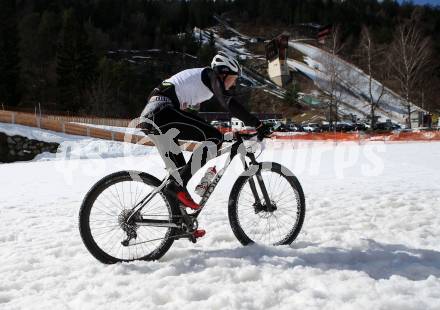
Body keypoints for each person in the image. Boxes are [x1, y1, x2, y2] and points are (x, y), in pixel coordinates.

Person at [140, 52, 270, 237]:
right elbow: (227, 101)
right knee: (214, 138)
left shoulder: (199, 88)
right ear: (223, 73)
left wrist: (226, 133)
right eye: (232, 79)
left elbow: (192, 119)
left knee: (178, 175)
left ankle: (180, 227)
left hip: (154, 116)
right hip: (161, 113)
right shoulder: (210, 75)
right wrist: (257, 123)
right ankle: (177, 188)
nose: (232, 84)